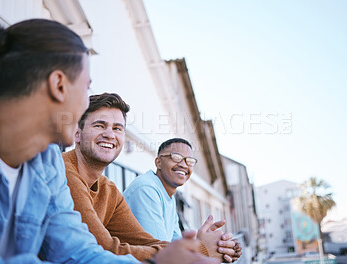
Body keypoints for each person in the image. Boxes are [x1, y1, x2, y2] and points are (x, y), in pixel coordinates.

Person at [0, 19, 220, 264]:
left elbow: (78, 251)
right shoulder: (61, 167)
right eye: (86, 88)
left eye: (117, 128)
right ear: (59, 85)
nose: (85, 105)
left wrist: (166, 260)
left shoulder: (47, 164)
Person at [63, 93, 239, 262]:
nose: (110, 134)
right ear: (77, 134)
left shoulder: (109, 190)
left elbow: (146, 242)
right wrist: (201, 250)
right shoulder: (65, 172)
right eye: (99, 125)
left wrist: (210, 247)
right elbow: (104, 248)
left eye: (117, 128)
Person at [124, 138, 242, 262]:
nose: (184, 165)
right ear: (158, 162)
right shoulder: (146, 189)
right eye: (176, 157)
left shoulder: (169, 197)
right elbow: (164, 255)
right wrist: (205, 248)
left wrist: (220, 248)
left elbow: (176, 249)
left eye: (189, 161)